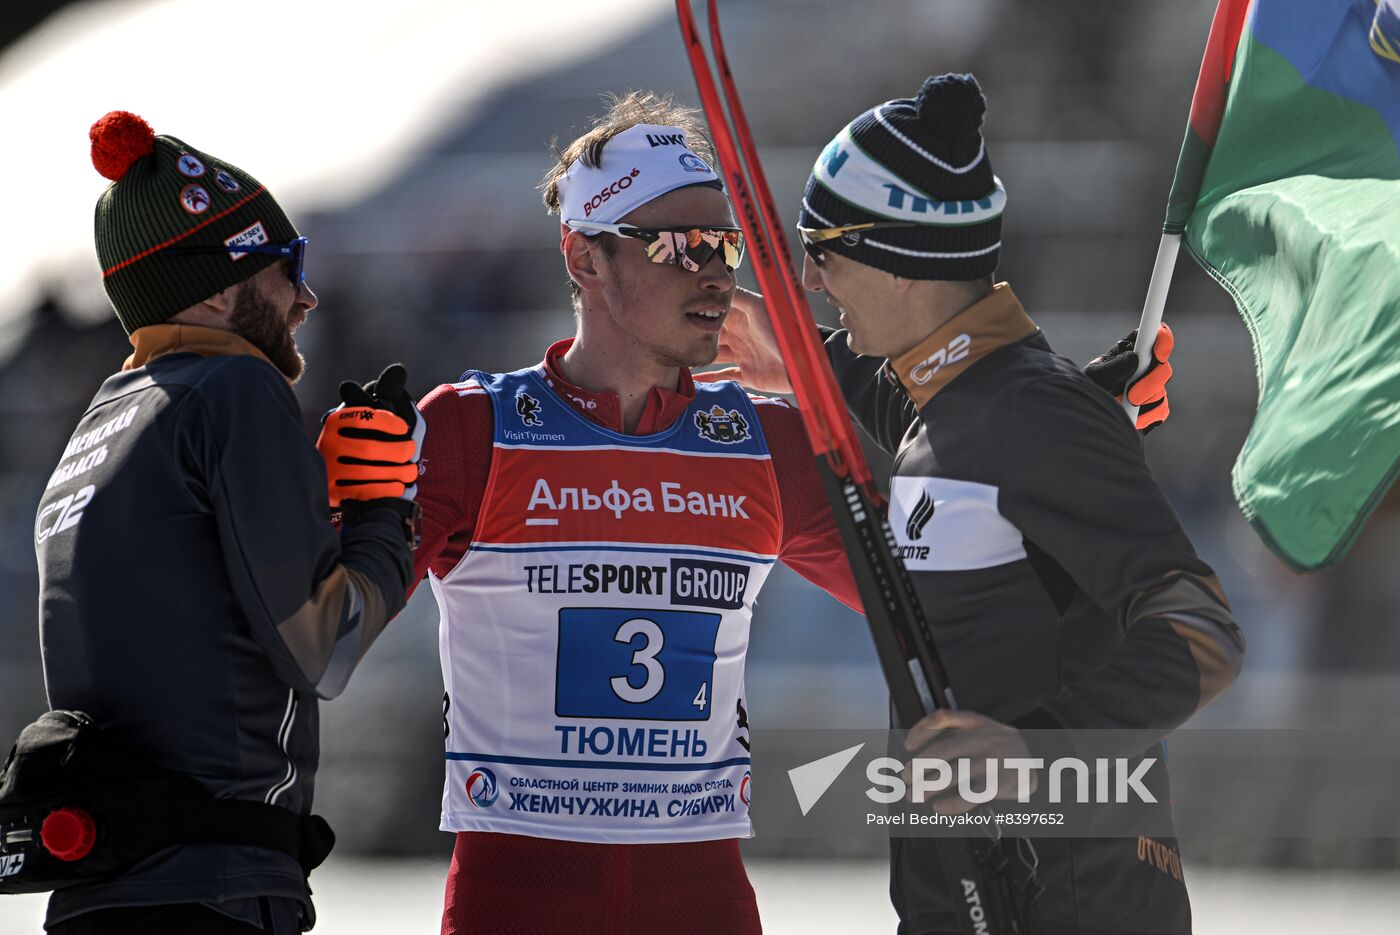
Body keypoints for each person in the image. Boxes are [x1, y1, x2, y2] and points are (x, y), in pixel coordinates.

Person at [706, 74, 1245, 934]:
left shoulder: (1030, 412)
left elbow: (1202, 629)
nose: (807, 277)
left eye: (824, 246)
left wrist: (1033, 750)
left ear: (900, 258)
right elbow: (927, 418)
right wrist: (795, 354)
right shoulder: (964, 405)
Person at [33, 111, 423, 935]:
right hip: (211, 887)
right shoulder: (235, 391)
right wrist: (381, 512)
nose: (307, 297)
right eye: (287, 266)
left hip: (100, 893)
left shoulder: (102, 423)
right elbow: (325, 646)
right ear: (214, 288)